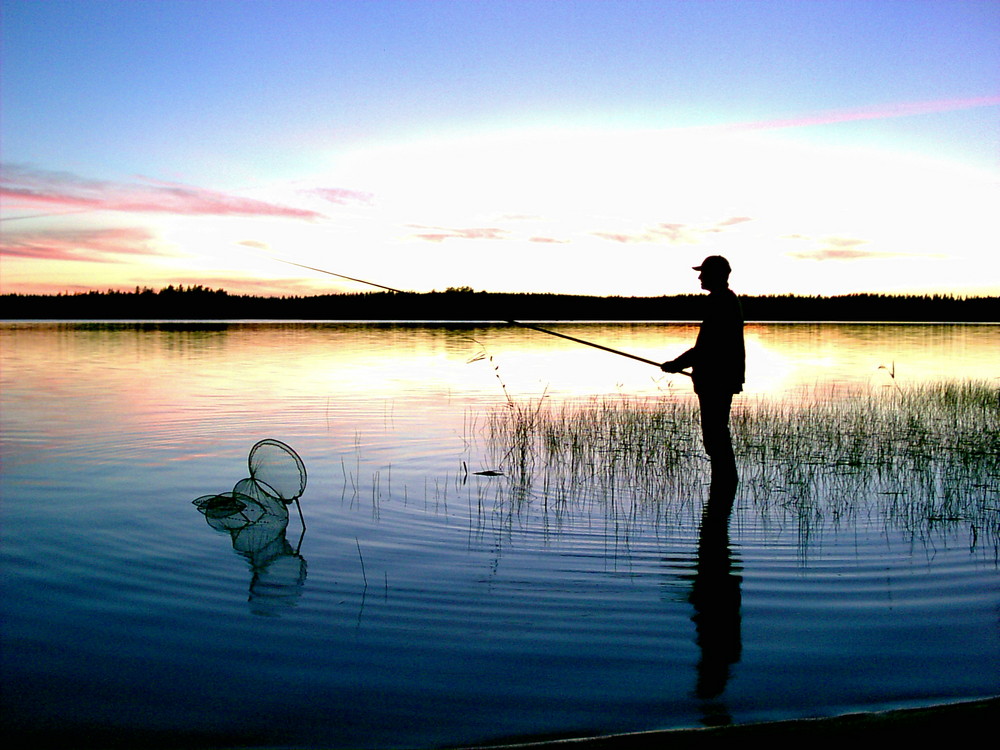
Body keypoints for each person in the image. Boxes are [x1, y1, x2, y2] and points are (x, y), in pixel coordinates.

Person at [661, 255, 745, 472]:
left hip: (717, 379)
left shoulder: (720, 301)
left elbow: (709, 347)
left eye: (704, 272)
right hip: (719, 378)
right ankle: (723, 492)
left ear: (717, 275)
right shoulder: (725, 299)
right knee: (716, 434)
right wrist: (680, 364)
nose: (699, 277)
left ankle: (725, 482)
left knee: (715, 435)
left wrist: (677, 364)